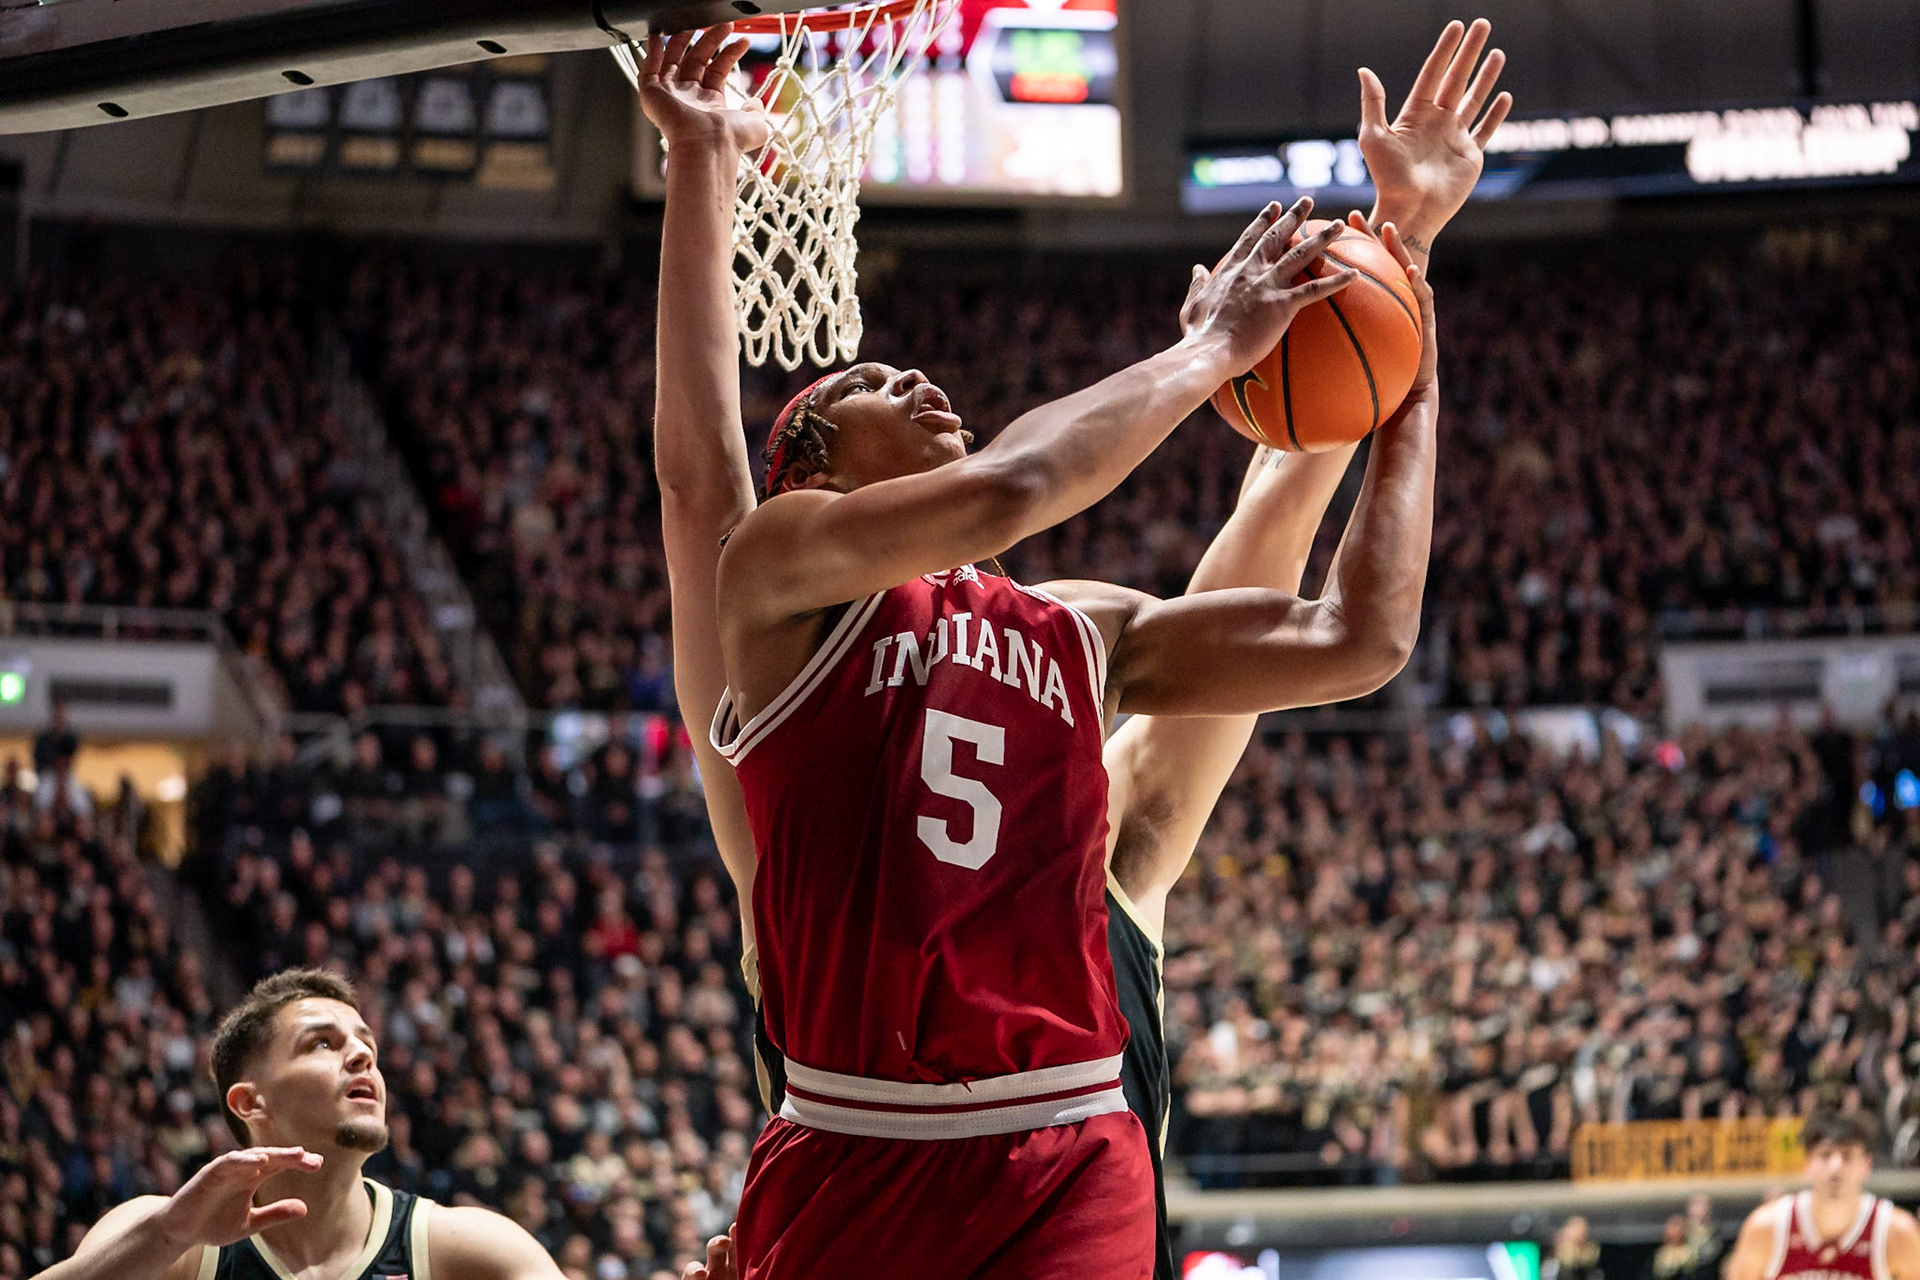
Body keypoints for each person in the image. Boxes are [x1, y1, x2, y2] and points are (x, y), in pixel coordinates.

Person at [643, 17, 1506, 1279]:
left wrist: (1405, 323)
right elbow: (711, 472)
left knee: (1144, 831)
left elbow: (1351, 634)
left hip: (1068, 1125)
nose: (924, 380)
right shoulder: (778, 587)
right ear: (809, 463)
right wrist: (699, 166)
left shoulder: (1072, 626)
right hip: (860, 1131)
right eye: (873, 378)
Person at [40, 968, 573, 1280]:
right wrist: (172, 1233)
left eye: (367, 1041)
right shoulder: (171, 1239)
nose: (363, 1055)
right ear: (251, 1103)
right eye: (322, 1043)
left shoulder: (464, 1249)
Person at [1723, 1110, 1920, 1280]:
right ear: (1807, 1163)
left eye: (1847, 1155)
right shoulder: (1766, 1227)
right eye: (1825, 1154)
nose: (1835, 1167)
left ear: (1866, 1165)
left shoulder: (1896, 1232)